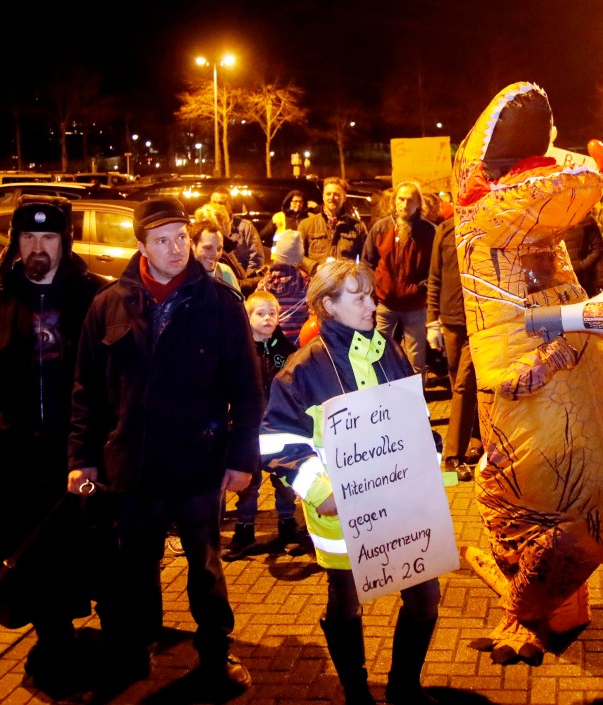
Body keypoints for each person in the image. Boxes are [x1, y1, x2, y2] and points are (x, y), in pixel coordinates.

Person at [68, 197, 263, 692]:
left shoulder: (220, 303)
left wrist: (243, 458)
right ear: (140, 246)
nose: (177, 249)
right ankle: (137, 647)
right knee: (135, 567)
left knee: (205, 566)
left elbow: (246, 386)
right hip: (131, 466)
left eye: (181, 237)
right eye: (163, 240)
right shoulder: (108, 304)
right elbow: (87, 391)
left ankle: (216, 652)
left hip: (199, 462)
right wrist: (82, 457)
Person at [261, 260, 441, 705]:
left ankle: (404, 688)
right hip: (338, 512)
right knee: (346, 603)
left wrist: (429, 456)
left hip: (401, 503)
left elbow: (414, 415)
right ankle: (356, 693)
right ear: (328, 306)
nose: (371, 303)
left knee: (425, 598)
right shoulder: (303, 368)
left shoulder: (390, 350)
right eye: (358, 297)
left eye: (370, 294)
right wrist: (319, 490)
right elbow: (275, 440)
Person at [0, 198, 106, 690]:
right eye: (29, 238)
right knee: (23, 554)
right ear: (16, 242)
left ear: (65, 242)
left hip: (75, 456)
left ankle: (71, 629)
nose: (39, 248)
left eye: (49, 238)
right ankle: (50, 635)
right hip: (11, 459)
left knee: (77, 550)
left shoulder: (92, 297)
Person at [224, 290, 301, 561]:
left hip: (279, 427)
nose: (268, 318)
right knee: (249, 483)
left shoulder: (286, 350)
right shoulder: (239, 352)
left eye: (273, 313)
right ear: (248, 317)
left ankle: (287, 525)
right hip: (249, 431)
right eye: (260, 313)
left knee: (283, 479)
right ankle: (244, 530)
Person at [426, 216, 481, 482]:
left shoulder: (488, 225)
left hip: (478, 319)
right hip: (450, 320)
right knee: (457, 383)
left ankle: (452, 457)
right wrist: (431, 320)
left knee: (464, 386)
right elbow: (435, 276)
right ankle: (474, 439)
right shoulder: (445, 230)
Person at [363, 180, 436, 379]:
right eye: (401, 199)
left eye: (410, 200)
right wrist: (373, 290)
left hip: (415, 306)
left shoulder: (429, 232)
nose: (405, 204)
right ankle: (381, 403)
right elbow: (368, 262)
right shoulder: (381, 228)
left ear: (418, 204)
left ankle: (417, 406)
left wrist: (422, 288)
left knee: (416, 361)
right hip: (385, 305)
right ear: (394, 201)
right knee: (376, 356)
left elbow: (436, 268)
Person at [259, 229, 312, 345]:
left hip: (272, 342)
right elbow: (312, 312)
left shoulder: (265, 283)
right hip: (298, 342)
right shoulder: (305, 282)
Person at [300, 176, 367, 266]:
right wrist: (314, 268)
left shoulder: (357, 226)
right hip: (317, 278)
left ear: (344, 198)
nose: (331, 197)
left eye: (336, 194)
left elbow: (366, 260)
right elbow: (297, 257)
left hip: (345, 278)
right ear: (323, 197)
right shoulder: (307, 225)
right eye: (328, 194)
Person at [209, 188, 265, 275]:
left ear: (230, 205)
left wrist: (245, 280)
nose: (216, 206)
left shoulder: (245, 227)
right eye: (213, 202)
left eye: (221, 203)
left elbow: (256, 260)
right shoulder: (206, 228)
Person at [189, 221, 241, 292]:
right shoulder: (182, 277)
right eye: (208, 248)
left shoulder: (225, 272)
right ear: (192, 245)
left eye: (219, 249)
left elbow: (239, 302)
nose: (215, 254)